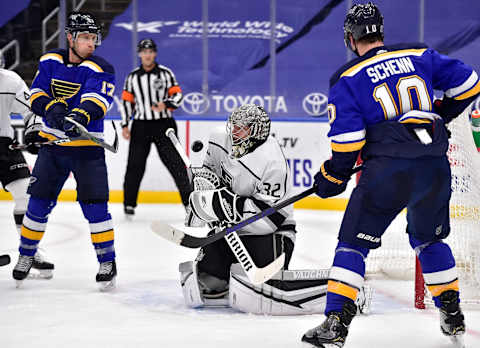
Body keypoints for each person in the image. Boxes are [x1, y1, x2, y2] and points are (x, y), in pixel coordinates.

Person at [301, 2, 478, 347]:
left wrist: (331, 176)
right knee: (430, 239)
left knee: (353, 245)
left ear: (350, 39)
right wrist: (439, 114)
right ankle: (452, 314)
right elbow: (470, 83)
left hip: (388, 171)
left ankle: (336, 321)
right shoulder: (418, 54)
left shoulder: (347, 78)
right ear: (381, 31)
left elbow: (349, 143)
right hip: (433, 165)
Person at [179, 104, 372, 315]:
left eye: (242, 128)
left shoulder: (272, 163)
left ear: (257, 131)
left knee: (264, 288)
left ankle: (349, 293)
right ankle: (225, 274)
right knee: (207, 279)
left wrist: (221, 205)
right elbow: (211, 174)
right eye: (233, 126)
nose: (234, 132)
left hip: (273, 233)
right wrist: (203, 185)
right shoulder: (219, 139)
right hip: (232, 229)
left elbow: (268, 221)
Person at [12, 12, 117, 291]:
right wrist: (53, 111)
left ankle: (108, 261)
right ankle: (26, 255)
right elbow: (36, 94)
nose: (91, 43)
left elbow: (97, 100)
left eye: (94, 37)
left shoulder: (101, 67)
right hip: (53, 148)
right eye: (85, 37)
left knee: (95, 208)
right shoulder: (50, 61)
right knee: (37, 204)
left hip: (87, 150)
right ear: (70, 37)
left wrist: (79, 117)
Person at [120, 38, 192, 217]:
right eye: (144, 52)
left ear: (155, 53)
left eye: (150, 51)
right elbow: (127, 103)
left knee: (176, 164)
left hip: (164, 125)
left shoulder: (166, 74)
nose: (147, 55)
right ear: (139, 54)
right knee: (135, 165)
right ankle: (129, 204)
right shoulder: (133, 77)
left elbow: (177, 96)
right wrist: (125, 124)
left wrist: (166, 104)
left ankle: (189, 204)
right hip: (141, 126)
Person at [0, 53, 54, 277]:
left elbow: (31, 110)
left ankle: (30, 252)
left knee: (25, 195)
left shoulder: (10, 81)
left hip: (4, 145)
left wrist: (33, 130)